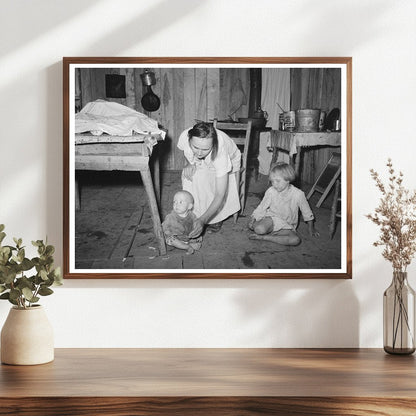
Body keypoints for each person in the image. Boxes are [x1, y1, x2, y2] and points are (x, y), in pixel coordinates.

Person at [177, 122, 241, 237]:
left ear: (213, 145)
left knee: (208, 179)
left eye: (205, 149)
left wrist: (203, 221)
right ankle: (193, 213)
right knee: (188, 175)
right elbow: (187, 152)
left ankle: (215, 218)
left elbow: (219, 194)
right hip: (205, 159)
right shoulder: (184, 136)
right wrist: (189, 164)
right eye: (195, 147)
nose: (199, 153)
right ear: (189, 139)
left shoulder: (220, 153)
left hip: (231, 159)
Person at [248, 162, 320, 245]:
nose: (274, 184)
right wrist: (253, 218)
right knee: (259, 229)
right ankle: (265, 229)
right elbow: (262, 206)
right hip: (272, 219)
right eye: (272, 181)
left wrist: (311, 229)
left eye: (278, 181)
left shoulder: (298, 194)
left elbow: (307, 212)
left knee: (295, 240)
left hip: (287, 225)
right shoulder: (271, 191)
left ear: (288, 180)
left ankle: (265, 237)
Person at [162, 190, 202, 255]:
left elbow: (196, 224)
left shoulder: (192, 216)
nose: (176, 204)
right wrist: (168, 233)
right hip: (177, 237)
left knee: (198, 239)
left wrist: (195, 232)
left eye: (180, 202)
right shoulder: (170, 217)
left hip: (188, 237)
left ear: (189, 206)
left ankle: (190, 244)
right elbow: (164, 227)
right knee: (172, 240)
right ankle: (187, 247)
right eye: (174, 202)